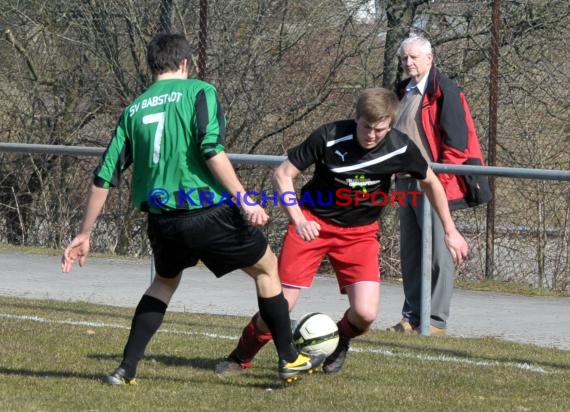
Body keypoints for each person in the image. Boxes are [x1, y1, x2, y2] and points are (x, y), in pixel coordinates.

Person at [60, 32, 325, 385]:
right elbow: (211, 149)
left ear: (152, 66)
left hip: (162, 221)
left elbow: (103, 177)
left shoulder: (133, 110)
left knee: (164, 283)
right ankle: (289, 358)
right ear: (185, 63)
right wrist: (244, 198)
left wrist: (85, 233)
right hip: (207, 213)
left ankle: (126, 368)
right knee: (267, 269)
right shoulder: (200, 91)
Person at [215, 88, 469, 375]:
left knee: (365, 313)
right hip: (313, 224)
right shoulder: (330, 136)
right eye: (366, 126)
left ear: (391, 126)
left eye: (380, 129)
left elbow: (432, 182)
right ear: (356, 117)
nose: (371, 135)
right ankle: (240, 356)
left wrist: (450, 229)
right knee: (280, 306)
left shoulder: (400, 147)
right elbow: (282, 175)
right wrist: (298, 219)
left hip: (360, 233)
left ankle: (338, 341)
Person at [387, 34, 487, 336]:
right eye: (405, 57)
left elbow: (457, 144)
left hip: (431, 184)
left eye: (414, 57)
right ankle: (412, 316)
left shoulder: (444, 91)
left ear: (430, 59)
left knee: (438, 254)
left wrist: (440, 184)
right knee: (412, 253)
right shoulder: (401, 92)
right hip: (404, 183)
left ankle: (436, 320)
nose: (408, 62)